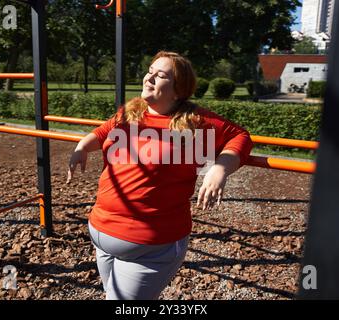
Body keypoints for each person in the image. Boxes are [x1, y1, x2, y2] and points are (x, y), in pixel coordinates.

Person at [67, 51, 253, 300]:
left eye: (161, 74)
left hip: (150, 246)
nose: (149, 77)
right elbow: (102, 132)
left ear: (179, 89)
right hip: (102, 233)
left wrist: (219, 168)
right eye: (150, 71)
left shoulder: (195, 123)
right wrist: (81, 147)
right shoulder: (131, 112)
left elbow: (240, 137)